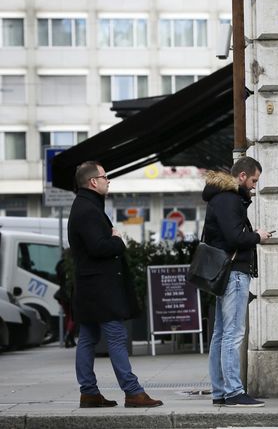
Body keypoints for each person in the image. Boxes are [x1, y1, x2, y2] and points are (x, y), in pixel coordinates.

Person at [68, 161, 162, 408]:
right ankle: (132, 392)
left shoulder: (86, 206)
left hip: (91, 287)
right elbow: (98, 247)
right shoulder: (88, 210)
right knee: (117, 337)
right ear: (93, 182)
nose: (108, 180)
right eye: (105, 176)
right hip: (101, 289)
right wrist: (118, 241)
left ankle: (89, 393)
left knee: (88, 337)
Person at [203, 156, 272, 407]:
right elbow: (234, 238)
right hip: (234, 272)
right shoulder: (229, 199)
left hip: (225, 272)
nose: (254, 186)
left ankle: (220, 391)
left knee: (221, 334)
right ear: (242, 176)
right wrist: (257, 236)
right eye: (254, 180)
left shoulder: (220, 197)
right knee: (232, 333)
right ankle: (233, 391)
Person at [55, 255, 76, 348]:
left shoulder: (60, 264)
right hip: (71, 293)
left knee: (68, 316)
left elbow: (58, 279)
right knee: (74, 317)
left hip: (62, 294)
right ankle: (68, 335)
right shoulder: (73, 264)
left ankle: (69, 337)